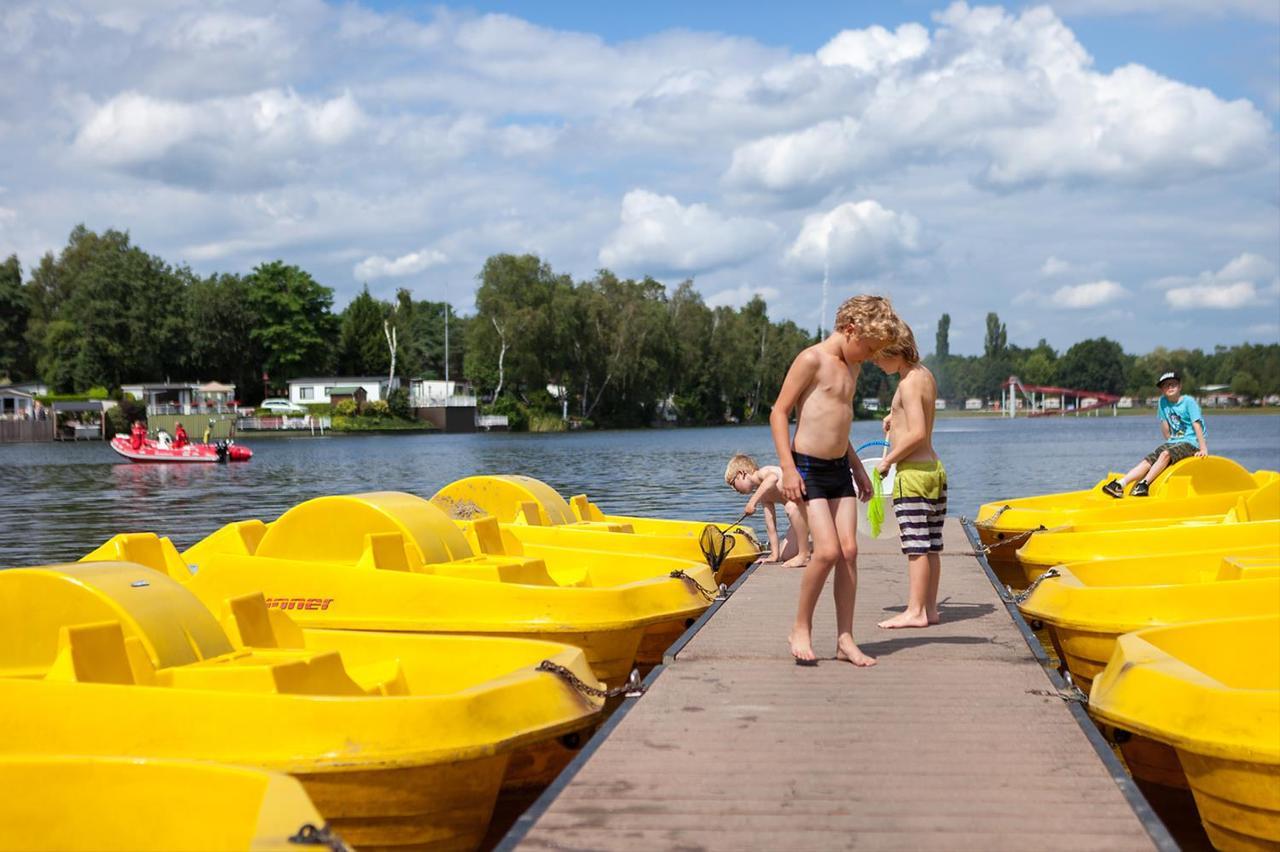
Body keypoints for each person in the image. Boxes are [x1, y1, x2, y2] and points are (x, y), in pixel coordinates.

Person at [771, 294, 900, 667]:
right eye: (869, 347)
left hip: (840, 469)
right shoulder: (811, 360)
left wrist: (858, 468)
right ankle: (800, 626)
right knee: (825, 551)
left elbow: (839, 426)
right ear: (849, 329)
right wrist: (788, 468)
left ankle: (845, 638)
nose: (870, 356)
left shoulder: (852, 367)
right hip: (808, 468)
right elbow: (779, 413)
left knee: (849, 551)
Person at [871, 321, 946, 629]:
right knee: (931, 545)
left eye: (879, 357)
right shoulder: (923, 375)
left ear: (894, 352)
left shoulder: (906, 384)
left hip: (913, 474)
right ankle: (930, 608)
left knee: (916, 548)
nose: (876, 363)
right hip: (934, 472)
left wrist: (888, 460)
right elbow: (920, 414)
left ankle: (914, 611)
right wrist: (894, 414)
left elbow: (916, 433)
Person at [1101, 371, 1207, 498]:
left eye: (1173, 384)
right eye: (1166, 386)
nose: (1170, 387)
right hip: (1174, 442)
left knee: (1166, 454)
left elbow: (1197, 424)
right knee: (1148, 460)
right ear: (1162, 390)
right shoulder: (1162, 402)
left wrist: (1203, 448)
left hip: (1191, 442)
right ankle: (1121, 484)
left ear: (1180, 386)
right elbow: (1165, 427)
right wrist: (1171, 441)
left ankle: (1144, 484)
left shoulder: (1189, 402)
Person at [724, 453, 811, 567]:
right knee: (786, 555)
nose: (734, 489)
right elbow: (771, 526)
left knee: (790, 506)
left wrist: (752, 502)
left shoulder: (763, 473)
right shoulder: (763, 495)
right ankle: (817, 548)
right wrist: (774, 556)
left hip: (813, 505)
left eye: (733, 483)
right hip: (803, 516)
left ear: (742, 474)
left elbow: (773, 478)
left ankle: (806, 553)